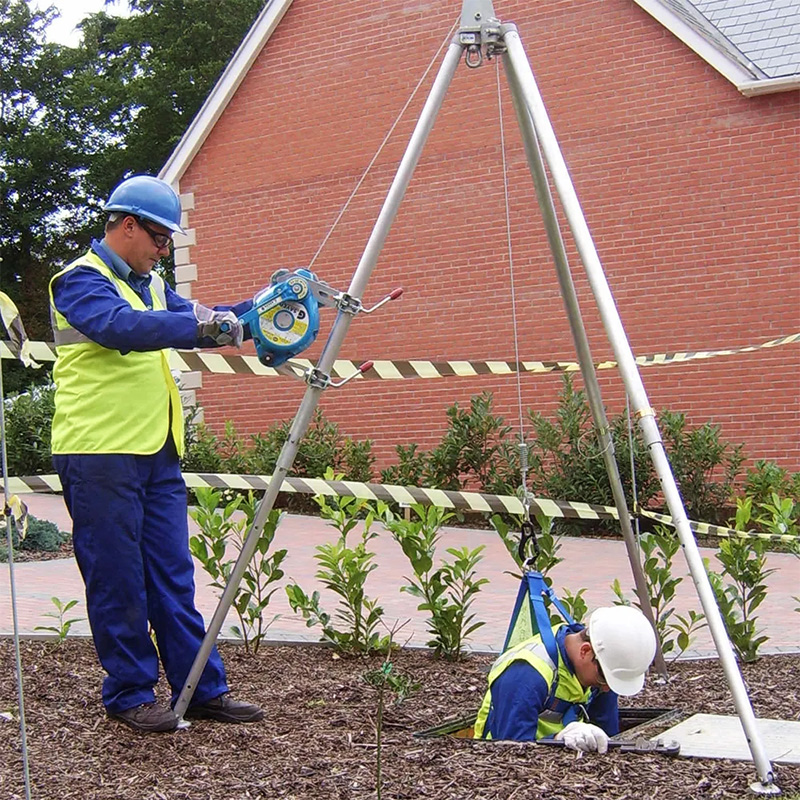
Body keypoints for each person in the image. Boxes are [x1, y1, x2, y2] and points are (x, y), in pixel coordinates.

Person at [49, 175, 263, 734]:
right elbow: (125, 329)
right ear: (127, 226)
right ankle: (129, 694)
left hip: (156, 452)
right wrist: (205, 327)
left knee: (173, 576)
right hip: (99, 454)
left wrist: (267, 306)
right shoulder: (78, 282)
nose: (164, 249)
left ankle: (200, 689)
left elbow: (206, 316)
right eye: (160, 237)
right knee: (118, 578)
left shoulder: (151, 284)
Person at [473, 605, 657, 752]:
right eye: (605, 678)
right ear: (585, 651)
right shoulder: (527, 674)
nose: (608, 688)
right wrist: (557, 741)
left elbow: (608, 733)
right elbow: (510, 749)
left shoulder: (601, 665)